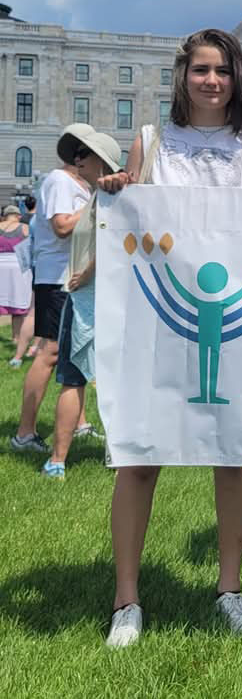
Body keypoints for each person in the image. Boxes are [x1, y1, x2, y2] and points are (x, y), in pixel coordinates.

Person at [97, 28, 242, 648]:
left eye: (222, 70)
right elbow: (132, 222)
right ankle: (126, 600)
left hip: (235, 317)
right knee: (140, 455)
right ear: (183, 76)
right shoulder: (150, 143)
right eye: (200, 70)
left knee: (232, 454)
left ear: (238, 77)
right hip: (158, 318)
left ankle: (230, 587)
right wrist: (117, 190)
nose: (212, 81)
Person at [40, 130, 122, 479]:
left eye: (83, 154)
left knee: (84, 378)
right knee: (77, 378)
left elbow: (117, 241)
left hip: (97, 297)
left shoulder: (111, 196)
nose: (77, 160)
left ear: (101, 159)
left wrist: (87, 273)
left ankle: (71, 459)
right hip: (92, 298)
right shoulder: (95, 196)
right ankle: (60, 459)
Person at [10, 124, 95, 451]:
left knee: (75, 350)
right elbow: (62, 225)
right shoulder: (60, 180)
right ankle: (25, 433)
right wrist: (97, 202)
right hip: (57, 276)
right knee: (51, 352)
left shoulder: (77, 183)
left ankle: (78, 423)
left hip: (71, 277)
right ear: (80, 154)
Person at [0, 204, 31, 363]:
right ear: (18, 215)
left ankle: (14, 337)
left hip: (1, 266)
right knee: (17, 306)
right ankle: (15, 337)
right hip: (18, 266)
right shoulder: (24, 228)